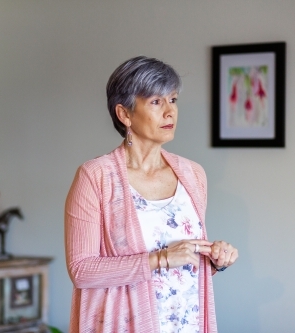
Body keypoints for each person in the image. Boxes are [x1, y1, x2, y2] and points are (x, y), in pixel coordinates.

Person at [65, 56, 238, 333]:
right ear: (125, 114)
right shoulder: (95, 176)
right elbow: (82, 271)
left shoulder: (193, 174)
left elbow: (186, 264)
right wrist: (160, 258)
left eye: (173, 99)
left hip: (186, 322)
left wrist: (215, 258)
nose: (170, 112)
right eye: (156, 102)